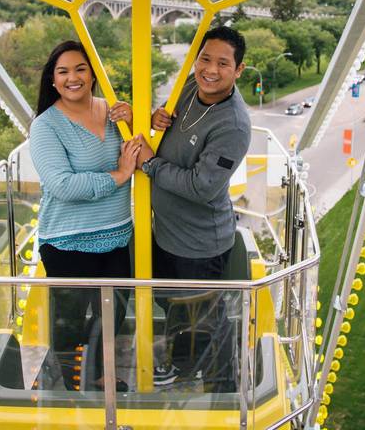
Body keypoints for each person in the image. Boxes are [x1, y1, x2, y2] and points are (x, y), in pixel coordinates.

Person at [134, 26, 252, 391]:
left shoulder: (232, 124)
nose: (210, 70)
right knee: (177, 308)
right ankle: (184, 365)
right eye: (204, 58)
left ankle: (212, 385)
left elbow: (202, 187)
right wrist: (158, 119)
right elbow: (175, 128)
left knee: (199, 319)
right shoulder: (190, 85)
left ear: (238, 70)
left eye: (222, 63)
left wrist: (151, 165)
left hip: (199, 244)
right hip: (167, 231)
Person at [29, 40, 140, 392]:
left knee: (114, 313)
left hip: (117, 234)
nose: (72, 78)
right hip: (68, 240)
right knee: (71, 321)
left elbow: (140, 147)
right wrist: (120, 176)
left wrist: (138, 119)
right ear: (52, 80)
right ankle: (75, 381)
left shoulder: (113, 112)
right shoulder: (46, 127)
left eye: (80, 69)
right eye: (63, 72)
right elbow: (62, 185)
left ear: (92, 74)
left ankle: (102, 372)